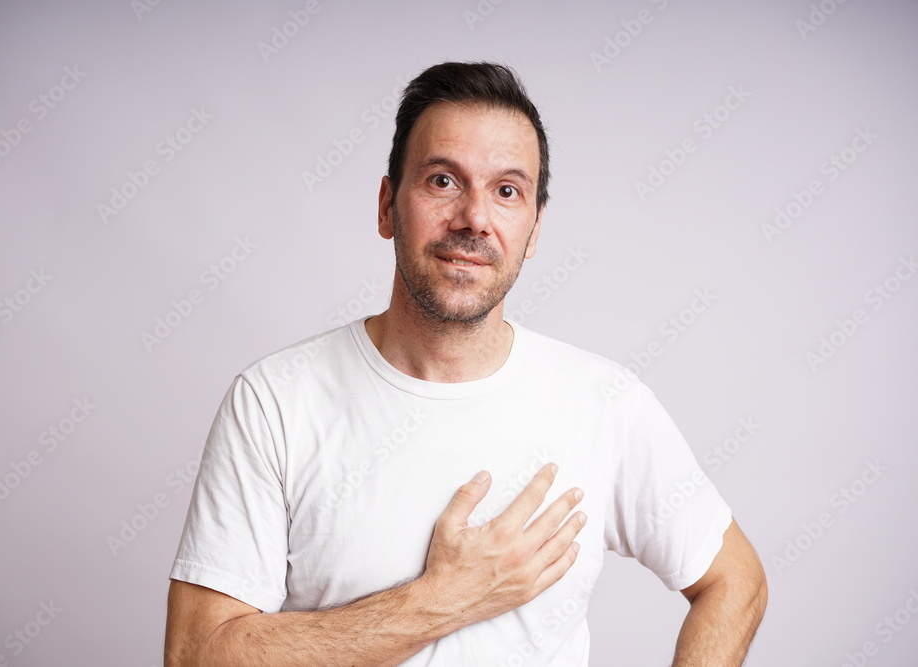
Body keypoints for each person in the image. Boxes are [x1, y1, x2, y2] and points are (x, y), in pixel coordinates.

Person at [164, 61, 767, 666]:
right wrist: (446, 598)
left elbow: (735, 582)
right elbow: (196, 654)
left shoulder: (604, 402)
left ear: (533, 231)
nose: (475, 218)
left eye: (507, 191)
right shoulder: (274, 402)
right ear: (386, 206)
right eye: (443, 182)